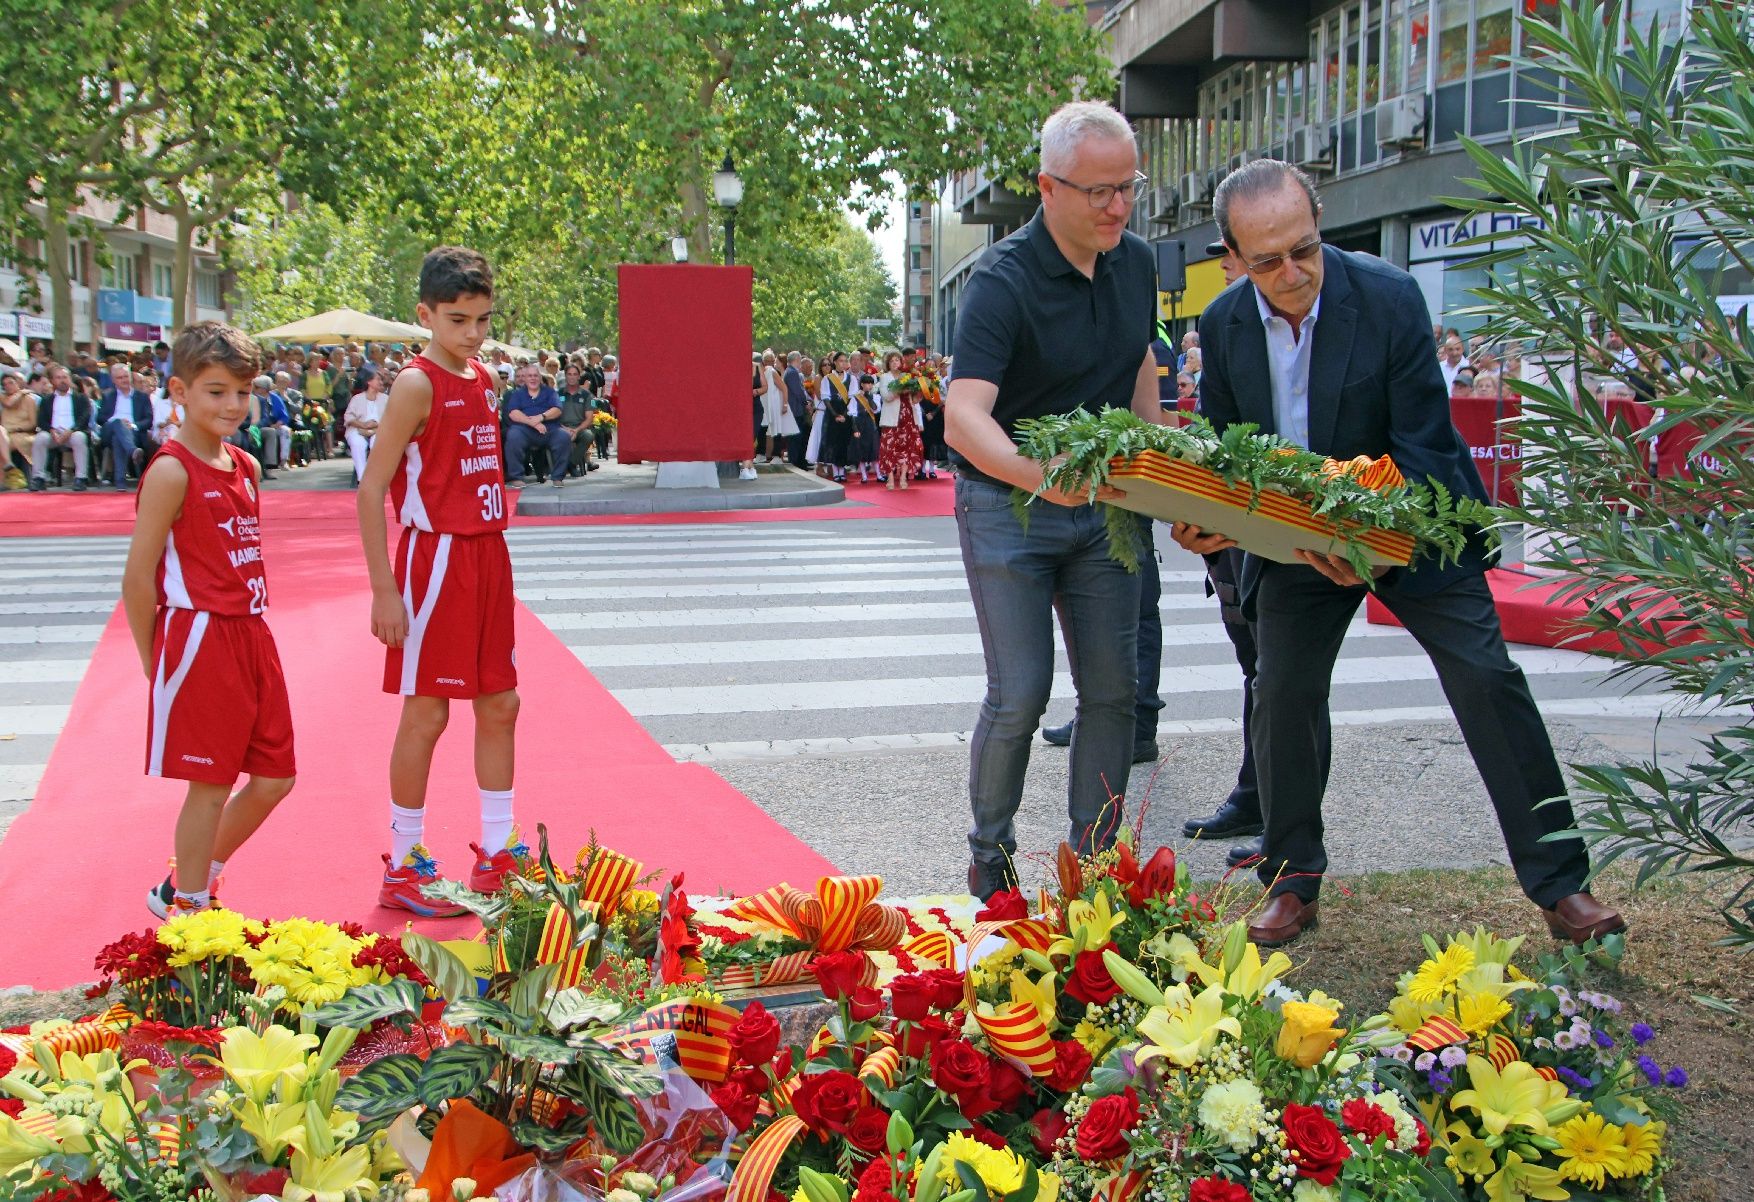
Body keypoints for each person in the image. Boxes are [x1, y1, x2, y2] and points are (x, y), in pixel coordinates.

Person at [1172, 158, 1624, 947]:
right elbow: (1223, 451)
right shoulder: (1222, 325)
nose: (1293, 273)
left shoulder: (1387, 297)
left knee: (1487, 677)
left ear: (1321, 226)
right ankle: (1293, 878)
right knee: (1281, 692)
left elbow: (1421, 446)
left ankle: (1562, 885)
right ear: (1233, 258)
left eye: (1305, 249)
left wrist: (1367, 546)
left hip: (1414, 519)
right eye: (1268, 260)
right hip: (1295, 534)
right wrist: (1203, 514)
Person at [944, 100, 1165, 899]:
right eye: (1098, 191)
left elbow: (1140, 363)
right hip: (1010, 507)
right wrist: (1039, 476)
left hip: (1108, 511)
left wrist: (1163, 461)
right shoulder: (1002, 281)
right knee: (1021, 692)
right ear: (1047, 187)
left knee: (1114, 690)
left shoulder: (1138, 261)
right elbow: (963, 414)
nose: (1117, 207)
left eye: (1127, 188)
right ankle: (990, 851)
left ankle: (1092, 865)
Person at [357, 245, 523, 916]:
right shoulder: (416, 383)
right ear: (425, 315)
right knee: (427, 713)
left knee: (502, 706)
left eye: (483, 319)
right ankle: (404, 863)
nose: (473, 333)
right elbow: (372, 490)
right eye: (459, 320)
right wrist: (383, 588)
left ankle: (499, 851)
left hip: (488, 556)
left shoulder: (482, 376)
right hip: (437, 562)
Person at [120, 321, 296, 917]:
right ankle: (190, 909)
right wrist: (156, 663)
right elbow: (138, 578)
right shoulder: (171, 471)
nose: (232, 405)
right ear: (180, 390)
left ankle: (188, 881)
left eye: (242, 393)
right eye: (216, 391)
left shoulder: (245, 464)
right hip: (198, 637)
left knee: (275, 778)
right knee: (212, 783)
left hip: (251, 633)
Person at [503, 362, 570, 488]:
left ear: (540, 378)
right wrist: (532, 423)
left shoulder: (550, 392)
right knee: (513, 436)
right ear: (525, 378)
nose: (532, 378)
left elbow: (557, 409)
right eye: (529, 376)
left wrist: (541, 417)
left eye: (535, 375)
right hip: (524, 429)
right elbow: (513, 413)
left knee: (563, 436)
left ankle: (558, 477)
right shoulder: (517, 394)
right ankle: (516, 477)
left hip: (549, 429)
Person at [30, 364, 93, 490]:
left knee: (79, 437)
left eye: (65, 377)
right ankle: (38, 478)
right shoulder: (47, 399)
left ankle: (81, 478)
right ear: (53, 381)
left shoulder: (81, 398)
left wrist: (71, 431)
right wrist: (51, 430)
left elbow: (84, 418)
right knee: (40, 438)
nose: (62, 380)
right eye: (58, 378)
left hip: (72, 433)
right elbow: (41, 420)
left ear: (69, 379)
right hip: (53, 434)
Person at [97, 364, 153, 489]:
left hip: (133, 433)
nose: (124, 380)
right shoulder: (108, 396)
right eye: (120, 377)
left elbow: (149, 420)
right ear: (113, 380)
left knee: (118, 438)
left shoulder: (142, 397)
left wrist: (133, 425)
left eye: (126, 376)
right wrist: (117, 421)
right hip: (109, 430)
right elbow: (100, 418)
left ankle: (120, 481)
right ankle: (133, 451)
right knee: (118, 424)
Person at [877, 350, 924, 490]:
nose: (894, 363)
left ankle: (903, 476)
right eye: (891, 361)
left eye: (897, 360)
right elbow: (887, 396)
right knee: (889, 448)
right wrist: (899, 389)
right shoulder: (885, 377)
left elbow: (914, 400)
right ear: (887, 364)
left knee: (907, 448)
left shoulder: (907, 376)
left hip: (907, 416)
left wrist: (922, 391)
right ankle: (890, 478)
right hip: (891, 418)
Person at [345, 372, 389, 483]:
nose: (380, 382)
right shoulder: (357, 398)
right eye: (378, 379)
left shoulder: (385, 399)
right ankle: (362, 479)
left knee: (377, 443)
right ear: (369, 382)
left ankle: (376, 478)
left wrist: (376, 425)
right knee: (357, 443)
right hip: (358, 428)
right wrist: (363, 425)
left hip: (379, 429)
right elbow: (348, 416)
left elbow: (391, 417)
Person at [818, 352, 853, 482]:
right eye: (840, 361)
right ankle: (835, 470)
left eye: (845, 361)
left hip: (846, 412)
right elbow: (825, 397)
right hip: (832, 412)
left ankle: (842, 470)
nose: (843, 363)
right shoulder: (828, 378)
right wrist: (835, 414)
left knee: (844, 442)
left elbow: (852, 397)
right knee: (832, 441)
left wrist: (844, 414)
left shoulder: (851, 379)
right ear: (835, 362)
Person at [557, 362, 596, 476]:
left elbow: (589, 419)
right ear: (565, 376)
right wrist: (565, 429)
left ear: (579, 376)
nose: (572, 377)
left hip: (580, 428)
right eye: (569, 374)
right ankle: (566, 466)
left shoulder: (586, 395)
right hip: (561, 427)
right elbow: (554, 416)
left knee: (588, 435)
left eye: (575, 374)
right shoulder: (558, 394)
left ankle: (570, 464)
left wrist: (576, 430)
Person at [760, 350, 797, 463]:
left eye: (771, 361)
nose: (769, 363)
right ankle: (765, 454)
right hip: (765, 405)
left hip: (774, 405)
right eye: (767, 361)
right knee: (766, 431)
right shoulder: (762, 371)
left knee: (775, 430)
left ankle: (775, 456)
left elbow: (784, 388)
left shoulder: (771, 372)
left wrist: (785, 404)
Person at [850, 373, 883, 482]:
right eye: (866, 383)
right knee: (861, 450)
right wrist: (855, 429)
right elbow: (852, 414)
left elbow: (875, 409)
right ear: (862, 384)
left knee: (874, 450)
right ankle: (864, 476)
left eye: (870, 383)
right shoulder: (855, 398)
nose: (869, 386)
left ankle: (879, 475)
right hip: (860, 425)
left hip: (871, 425)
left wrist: (868, 397)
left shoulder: (875, 397)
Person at [783, 351, 812, 469]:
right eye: (800, 360)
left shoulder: (791, 372)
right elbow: (798, 391)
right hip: (795, 410)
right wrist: (806, 403)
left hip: (796, 409)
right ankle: (795, 462)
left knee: (799, 438)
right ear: (796, 360)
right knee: (796, 438)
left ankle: (800, 461)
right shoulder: (792, 373)